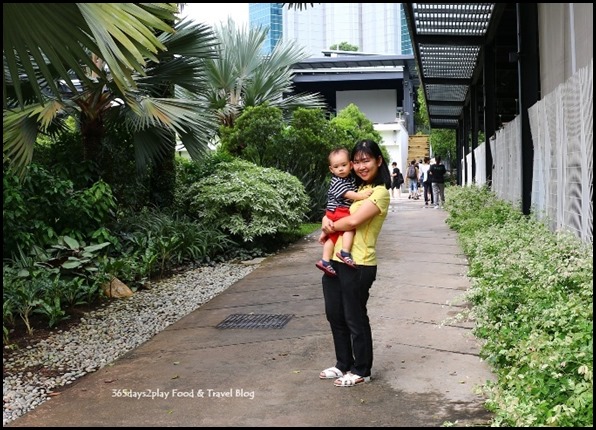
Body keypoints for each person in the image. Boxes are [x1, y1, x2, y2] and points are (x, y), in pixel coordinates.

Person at [318, 139, 391, 387]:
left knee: (354, 316)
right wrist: (325, 221)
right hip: (336, 261)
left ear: (378, 161)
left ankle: (362, 369)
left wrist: (329, 226)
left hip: (359, 263)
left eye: (366, 160)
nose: (361, 166)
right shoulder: (351, 187)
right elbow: (333, 209)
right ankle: (343, 364)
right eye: (357, 161)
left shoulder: (379, 192)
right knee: (335, 315)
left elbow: (351, 222)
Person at [316, 148, 373, 277]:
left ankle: (325, 261)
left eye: (344, 165)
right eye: (336, 167)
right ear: (331, 169)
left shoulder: (350, 179)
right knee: (349, 229)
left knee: (333, 237)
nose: (340, 169)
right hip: (338, 210)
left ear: (351, 165)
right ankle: (345, 252)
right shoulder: (337, 181)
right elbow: (348, 194)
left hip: (334, 211)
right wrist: (362, 195)